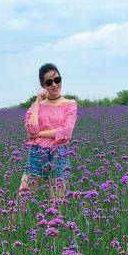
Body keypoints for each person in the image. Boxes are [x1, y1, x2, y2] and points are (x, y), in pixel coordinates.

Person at [17, 63, 78, 211]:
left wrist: (39, 134)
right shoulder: (35, 106)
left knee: (57, 205)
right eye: (49, 82)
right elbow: (31, 129)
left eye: (57, 79)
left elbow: (66, 133)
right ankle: (12, 230)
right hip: (36, 153)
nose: (55, 85)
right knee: (21, 200)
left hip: (59, 154)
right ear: (43, 85)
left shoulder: (70, 104)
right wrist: (37, 102)